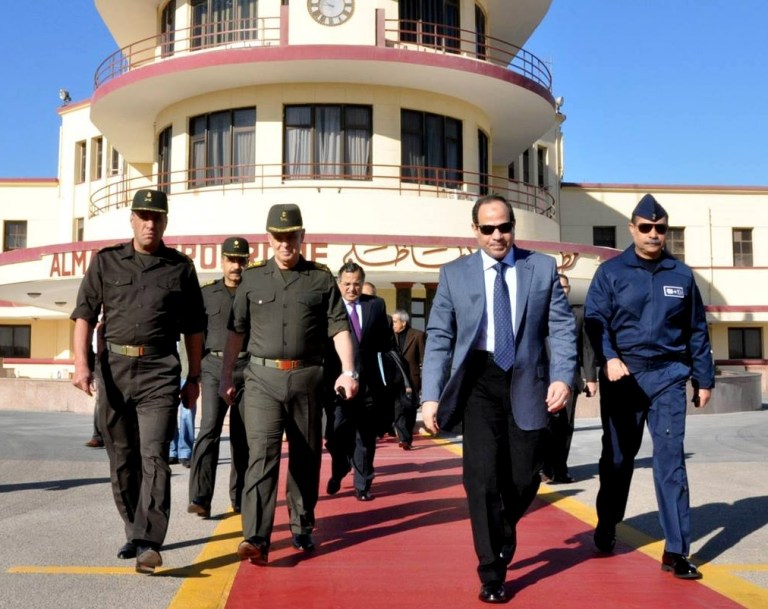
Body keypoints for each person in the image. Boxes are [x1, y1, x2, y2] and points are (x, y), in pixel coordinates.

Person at [421, 194, 577, 604]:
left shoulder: (540, 268)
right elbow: (439, 337)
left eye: (504, 227)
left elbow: (561, 329)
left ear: (513, 228)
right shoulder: (454, 274)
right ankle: (491, 570)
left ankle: (503, 528)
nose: (497, 235)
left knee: (525, 475)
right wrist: (430, 396)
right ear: (475, 231)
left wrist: (562, 376)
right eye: (488, 228)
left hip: (527, 380)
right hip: (478, 382)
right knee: (483, 478)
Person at [71, 189, 205, 575]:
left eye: (157, 217)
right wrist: (82, 365)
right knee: (122, 458)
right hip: (113, 369)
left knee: (154, 455)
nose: (150, 223)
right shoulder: (107, 262)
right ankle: (134, 528)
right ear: (132, 219)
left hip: (159, 371)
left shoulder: (180, 267)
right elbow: (84, 314)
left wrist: (194, 376)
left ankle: (149, 541)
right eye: (144, 216)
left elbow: (194, 329)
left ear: (165, 222)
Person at [219, 203, 358, 566]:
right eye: (278, 237)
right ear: (268, 239)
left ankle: (301, 523)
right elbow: (237, 332)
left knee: (305, 454)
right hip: (261, 379)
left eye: (291, 236)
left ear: (302, 236)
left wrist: (348, 370)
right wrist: (226, 376)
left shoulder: (321, 278)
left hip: (307, 378)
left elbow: (339, 327)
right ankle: (256, 537)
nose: (285, 244)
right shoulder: (252, 278)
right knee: (261, 456)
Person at [584, 193, 714, 580]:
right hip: (624, 378)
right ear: (632, 229)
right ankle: (608, 522)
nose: (654, 234)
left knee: (671, 462)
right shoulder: (611, 273)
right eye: (646, 228)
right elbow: (595, 319)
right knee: (619, 459)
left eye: (660, 228)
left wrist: (703, 378)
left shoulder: (682, 274)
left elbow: (696, 329)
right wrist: (609, 358)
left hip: (669, 377)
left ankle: (676, 550)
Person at [187, 237, 251, 517]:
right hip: (213, 366)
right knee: (209, 430)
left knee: (243, 435)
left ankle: (240, 498)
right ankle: (200, 498)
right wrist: (194, 372)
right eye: (232, 260)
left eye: (241, 260)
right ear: (222, 261)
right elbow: (193, 333)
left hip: (247, 368)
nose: (236, 265)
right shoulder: (206, 294)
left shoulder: (253, 293)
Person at [326, 262, 392, 501]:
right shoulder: (329, 309)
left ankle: (363, 485)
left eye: (356, 284)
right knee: (335, 433)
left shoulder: (376, 305)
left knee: (365, 436)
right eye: (346, 284)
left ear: (362, 284)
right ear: (338, 283)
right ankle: (340, 466)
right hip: (338, 384)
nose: (352, 289)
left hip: (368, 385)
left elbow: (386, 345)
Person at [539, 273, 597, 483]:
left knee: (565, 426)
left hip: (569, 378)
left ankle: (560, 469)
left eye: (564, 287)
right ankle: (544, 468)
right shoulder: (538, 313)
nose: (561, 291)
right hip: (541, 378)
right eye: (557, 287)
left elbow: (587, 348)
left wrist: (591, 378)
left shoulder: (579, 314)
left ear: (569, 290)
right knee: (544, 425)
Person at [390, 309, 426, 449]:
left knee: (410, 409)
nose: (392, 324)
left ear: (403, 322)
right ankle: (403, 438)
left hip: (412, 378)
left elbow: (424, 358)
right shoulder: (390, 336)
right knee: (397, 408)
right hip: (394, 378)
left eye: (395, 322)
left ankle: (407, 436)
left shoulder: (418, 335)